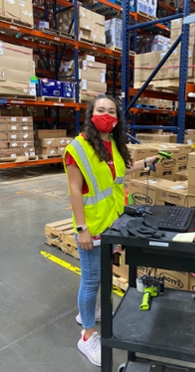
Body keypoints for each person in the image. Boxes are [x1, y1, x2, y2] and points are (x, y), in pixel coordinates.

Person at [64, 94, 159, 367]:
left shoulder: (113, 145)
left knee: (101, 274)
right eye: (100, 110)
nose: (106, 115)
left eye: (111, 111)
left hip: (113, 222)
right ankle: (87, 336)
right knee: (92, 280)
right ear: (91, 114)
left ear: (117, 119)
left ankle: (87, 314)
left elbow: (119, 174)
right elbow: (74, 190)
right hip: (92, 225)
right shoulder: (78, 148)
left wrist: (145, 163)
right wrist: (81, 229)